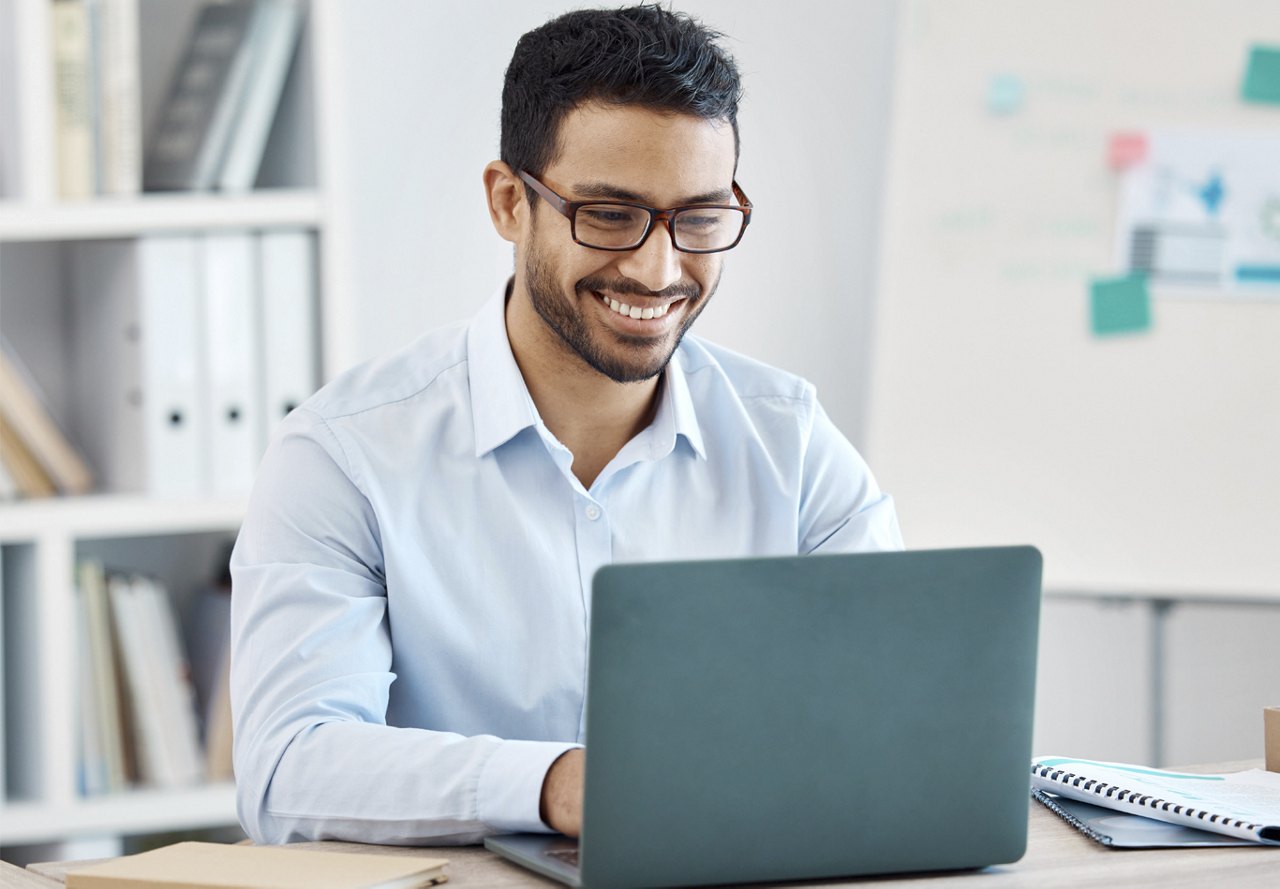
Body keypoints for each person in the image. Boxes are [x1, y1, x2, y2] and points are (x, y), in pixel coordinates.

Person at [230, 4, 902, 847]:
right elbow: (287, 769)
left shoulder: (791, 443)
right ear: (510, 202)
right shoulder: (345, 454)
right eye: (610, 215)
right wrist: (556, 784)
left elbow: (897, 719)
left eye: (697, 218)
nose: (659, 271)